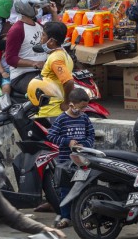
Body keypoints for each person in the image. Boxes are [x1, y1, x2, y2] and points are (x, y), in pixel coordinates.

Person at [47, 88, 95, 229]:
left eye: (84, 108)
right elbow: (51, 136)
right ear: (71, 105)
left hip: (83, 161)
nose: (82, 111)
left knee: (84, 189)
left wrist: (83, 144)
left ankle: (84, 216)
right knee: (65, 190)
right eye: (80, 108)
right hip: (65, 161)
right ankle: (66, 217)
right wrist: (68, 142)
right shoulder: (61, 119)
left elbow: (91, 136)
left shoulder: (84, 118)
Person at [6, 0, 57, 96]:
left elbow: (56, 33)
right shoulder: (17, 29)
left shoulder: (37, 25)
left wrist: (54, 13)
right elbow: (10, 59)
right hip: (22, 75)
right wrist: (34, 63)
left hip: (43, 71)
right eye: (36, 7)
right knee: (48, 92)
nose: (39, 10)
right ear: (27, 8)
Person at [33, 21, 75, 118]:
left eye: (43, 35)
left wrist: (66, 103)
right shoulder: (63, 53)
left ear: (51, 41)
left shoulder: (55, 59)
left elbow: (69, 82)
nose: (41, 38)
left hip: (49, 112)